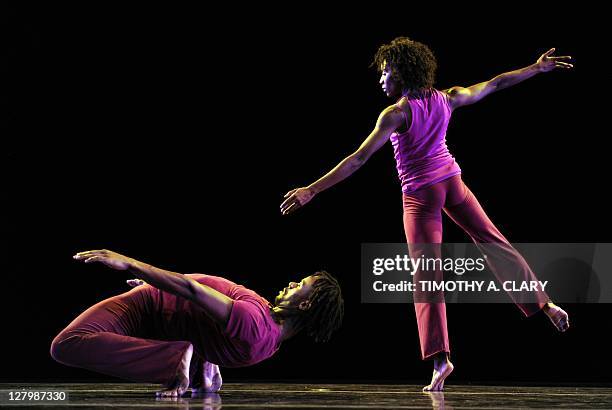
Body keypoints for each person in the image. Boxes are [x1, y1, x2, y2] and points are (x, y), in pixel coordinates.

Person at [280, 37, 571, 391]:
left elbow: (358, 159)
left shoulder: (396, 113)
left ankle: (440, 358)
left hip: (421, 197)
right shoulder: (448, 97)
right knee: (493, 240)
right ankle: (545, 304)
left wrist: (312, 189)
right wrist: (536, 68)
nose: (381, 80)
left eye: (385, 72)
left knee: (426, 275)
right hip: (452, 182)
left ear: (401, 73)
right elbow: (494, 84)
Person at [50, 249, 344, 397]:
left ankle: (177, 357)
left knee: (67, 344)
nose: (292, 283)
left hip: (147, 306)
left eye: (299, 285)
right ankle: (191, 361)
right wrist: (208, 358)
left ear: (305, 304)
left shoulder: (256, 324)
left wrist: (129, 262)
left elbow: (193, 291)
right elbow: (211, 319)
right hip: (157, 304)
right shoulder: (269, 336)